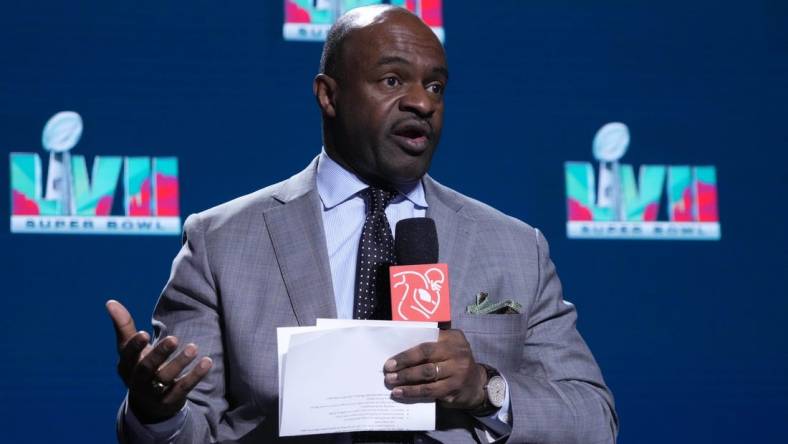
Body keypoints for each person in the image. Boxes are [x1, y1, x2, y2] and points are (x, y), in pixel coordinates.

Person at [108, 5, 618, 443]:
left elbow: (595, 420)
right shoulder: (221, 242)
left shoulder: (514, 247)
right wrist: (157, 412)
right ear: (328, 95)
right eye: (392, 80)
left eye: (435, 86)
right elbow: (192, 428)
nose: (422, 102)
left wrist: (486, 388)